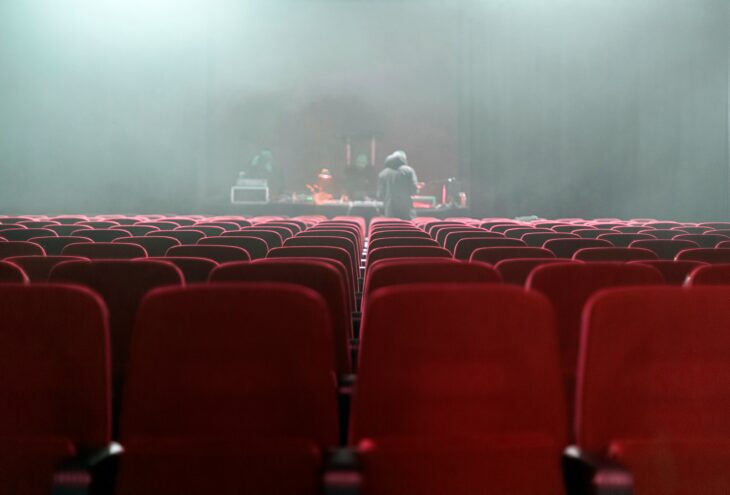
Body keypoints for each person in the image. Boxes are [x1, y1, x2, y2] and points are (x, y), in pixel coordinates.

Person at [377, 150, 418, 219]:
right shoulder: (409, 171)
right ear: (403, 159)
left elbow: (380, 195)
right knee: (407, 226)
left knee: (392, 225)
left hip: (390, 210)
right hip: (406, 210)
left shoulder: (383, 173)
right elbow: (414, 191)